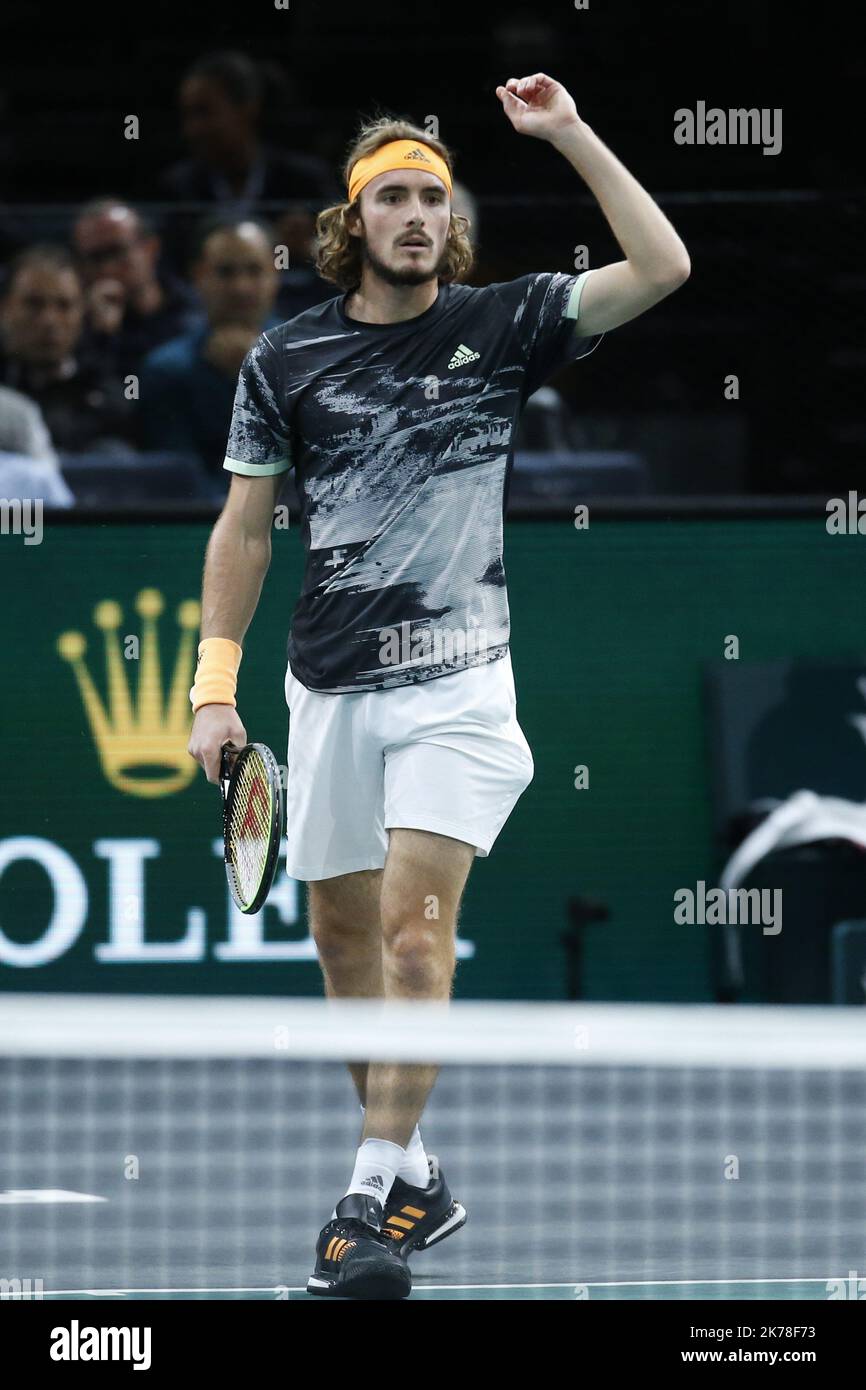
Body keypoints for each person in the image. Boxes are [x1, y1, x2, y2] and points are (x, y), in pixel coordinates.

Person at [187, 73, 690, 1300]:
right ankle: (416, 1171)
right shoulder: (288, 355)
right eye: (392, 197)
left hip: (459, 683)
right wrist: (211, 684)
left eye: (433, 197)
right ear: (353, 222)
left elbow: (662, 265)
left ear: (449, 222)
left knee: (418, 933)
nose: (416, 213)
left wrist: (568, 132)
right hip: (327, 687)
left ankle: (359, 1207)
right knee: (342, 940)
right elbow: (245, 529)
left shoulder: (506, 322)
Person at [139, 217, 282, 484]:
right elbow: (177, 482)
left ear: (275, 275)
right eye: (226, 272)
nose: (241, 287)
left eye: (254, 271)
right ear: (198, 276)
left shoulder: (314, 361)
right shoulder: (165, 371)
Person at [0, 246, 138, 454]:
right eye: (33, 304)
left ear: (82, 312)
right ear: (5, 309)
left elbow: (131, 397)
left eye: (64, 305)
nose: (49, 320)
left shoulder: (115, 384)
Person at [72, 198, 199, 375]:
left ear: (151, 249)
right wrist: (101, 337)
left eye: (117, 252)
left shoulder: (194, 310)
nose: (107, 268)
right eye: (95, 258)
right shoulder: (76, 323)